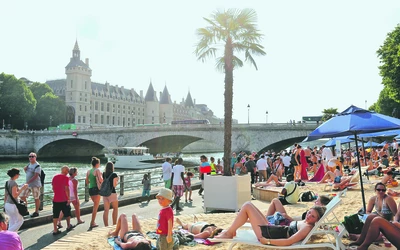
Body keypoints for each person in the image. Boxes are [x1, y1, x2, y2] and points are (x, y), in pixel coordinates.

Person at [214, 202, 326, 246]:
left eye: (313, 216)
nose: (309, 216)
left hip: (268, 234)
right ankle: (231, 231)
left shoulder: (307, 227)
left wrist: (267, 241)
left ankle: (229, 232)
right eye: (310, 212)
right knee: (248, 205)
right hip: (272, 229)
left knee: (247, 207)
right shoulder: (306, 222)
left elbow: (289, 241)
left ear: (316, 220)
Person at [266, 195, 332, 222]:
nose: (315, 202)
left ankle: (266, 220)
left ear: (322, 205)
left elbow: (299, 224)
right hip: (290, 220)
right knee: (275, 201)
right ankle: (266, 219)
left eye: (317, 201)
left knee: (275, 201)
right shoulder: (317, 213)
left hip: (289, 221)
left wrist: (287, 217)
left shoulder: (313, 215)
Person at [52, 166, 74, 235]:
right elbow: (66, 188)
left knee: (55, 215)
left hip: (56, 198)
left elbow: (53, 187)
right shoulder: (66, 178)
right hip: (64, 198)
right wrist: (68, 198)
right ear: (67, 171)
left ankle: (55, 229)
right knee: (67, 213)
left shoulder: (55, 177)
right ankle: (68, 226)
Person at [20, 152, 42, 218]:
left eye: (33, 156)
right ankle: (25, 210)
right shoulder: (29, 164)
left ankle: (36, 211)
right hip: (28, 184)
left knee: (36, 198)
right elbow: (28, 173)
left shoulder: (37, 166)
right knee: (22, 196)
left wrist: (27, 182)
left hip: (35, 185)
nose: (31, 158)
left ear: (35, 157)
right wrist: (25, 170)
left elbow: (36, 176)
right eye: (30, 156)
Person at [85, 157, 103, 229]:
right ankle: (92, 222)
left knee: (95, 206)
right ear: (97, 164)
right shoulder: (97, 170)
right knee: (95, 207)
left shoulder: (89, 171)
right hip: (96, 189)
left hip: (91, 189)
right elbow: (101, 180)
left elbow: (87, 182)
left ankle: (93, 221)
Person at [102, 162, 119, 227]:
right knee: (115, 208)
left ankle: (106, 226)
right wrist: (117, 180)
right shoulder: (114, 174)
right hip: (112, 193)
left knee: (106, 210)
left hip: (105, 194)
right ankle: (114, 224)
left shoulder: (104, 174)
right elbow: (114, 185)